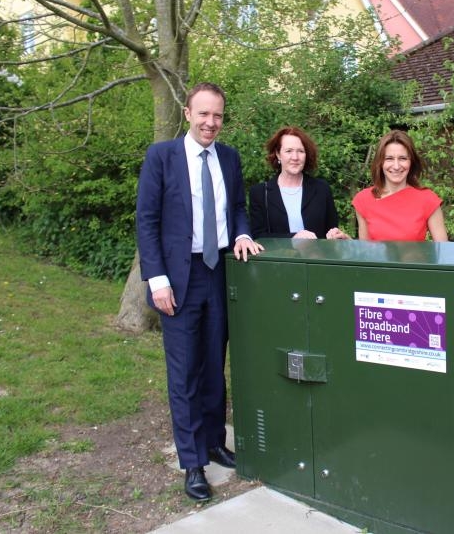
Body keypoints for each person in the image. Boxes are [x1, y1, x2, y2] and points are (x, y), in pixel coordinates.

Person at [136, 82, 263, 502]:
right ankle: (192, 461)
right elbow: (147, 221)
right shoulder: (162, 157)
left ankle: (212, 441)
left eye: (218, 116)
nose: (211, 123)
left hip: (219, 272)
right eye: (204, 114)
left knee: (214, 365)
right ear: (188, 113)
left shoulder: (229, 157)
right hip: (178, 278)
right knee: (185, 372)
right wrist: (157, 280)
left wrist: (243, 234)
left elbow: (239, 208)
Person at [249, 126, 350, 240]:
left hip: (316, 256)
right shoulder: (260, 193)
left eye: (300, 151)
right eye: (289, 151)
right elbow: (258, 236)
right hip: (279, 257)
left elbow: (331, 229)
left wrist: (335, 235)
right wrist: (294, 238)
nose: (295, 157)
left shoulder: (322, 189)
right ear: (278, 154)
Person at [352, 130, 448, 242]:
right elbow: (365, 252)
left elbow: (443, 252)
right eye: (389, 159)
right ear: (380, 162)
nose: (396, 166)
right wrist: (346, 243)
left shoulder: (428, 200)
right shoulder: (363, 200)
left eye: (402, 158)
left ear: (411, 162)